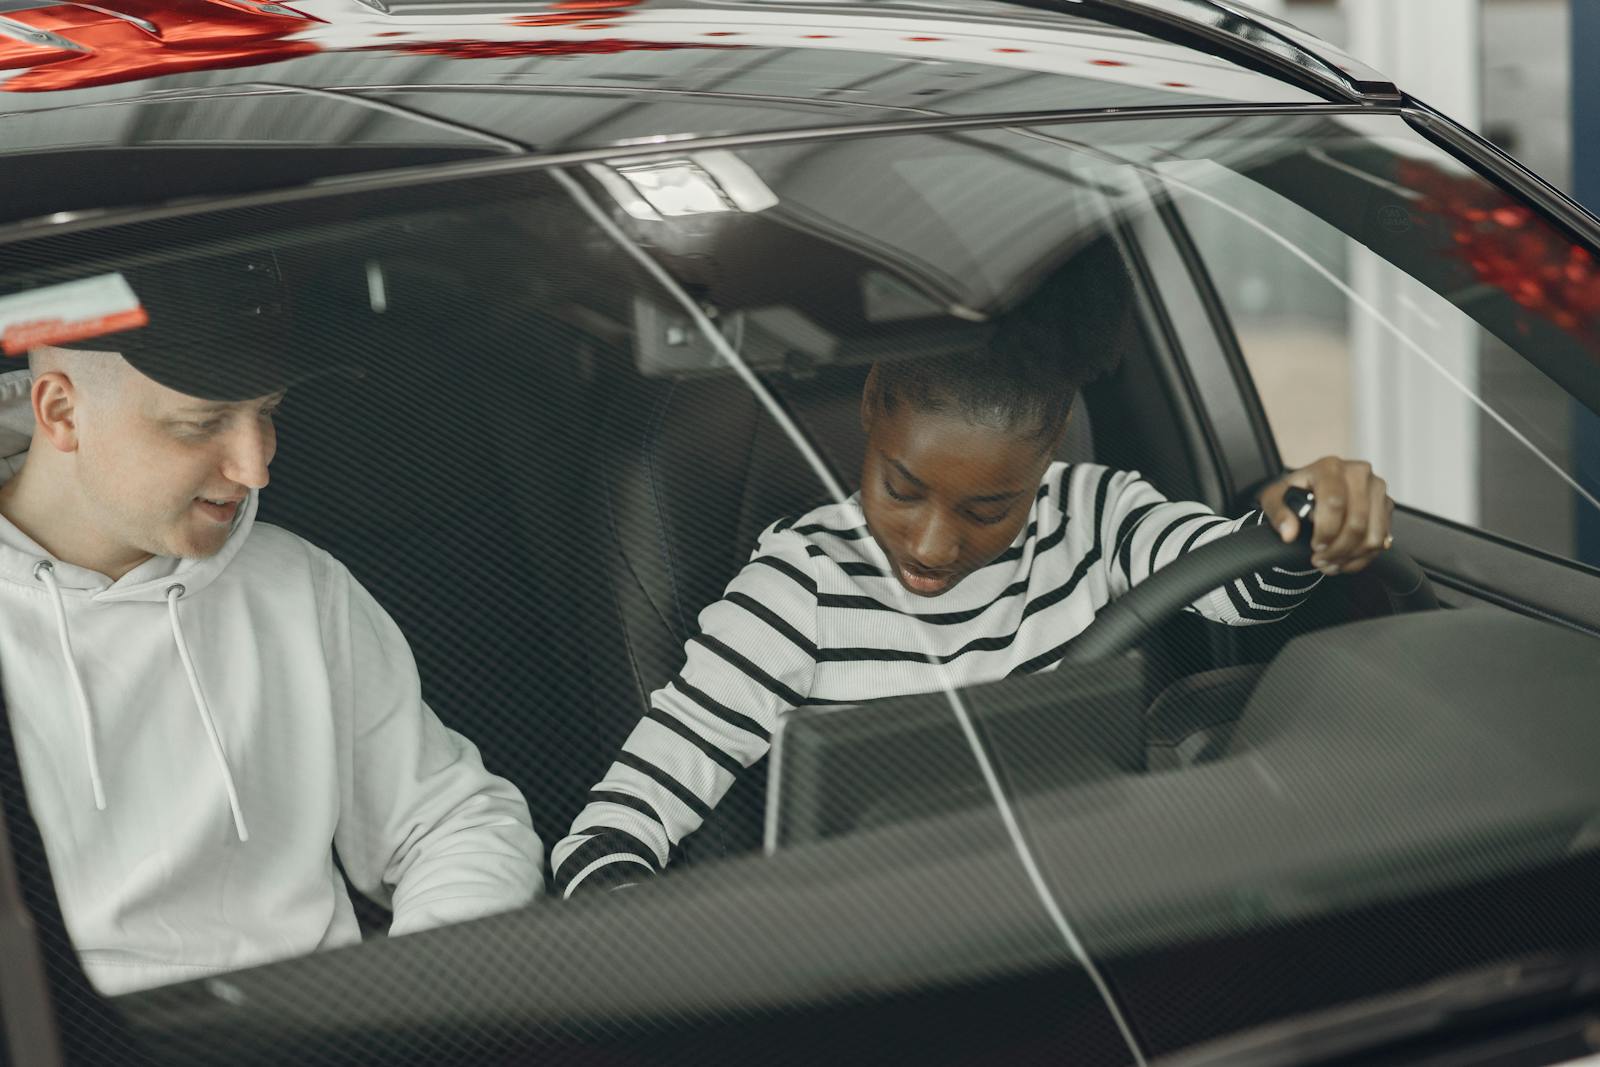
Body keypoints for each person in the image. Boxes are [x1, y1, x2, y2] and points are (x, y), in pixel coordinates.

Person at [551, 257, 1394, 898]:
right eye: (902, 488)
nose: (932, 543)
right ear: (873, 408)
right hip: (890, 951)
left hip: (1089, 894)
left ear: (1053, 445)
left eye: (990, 508)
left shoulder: (1096, 513)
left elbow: (1239, 587)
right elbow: (623, 816)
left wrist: (1311, 516)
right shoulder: (797, 590)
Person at [0, 254, 543, 994]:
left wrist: (423, 1004)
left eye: (268, 412)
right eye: (202, 424)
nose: (256, 467)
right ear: (61, 412)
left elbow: (456, 825)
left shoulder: (298, 585)